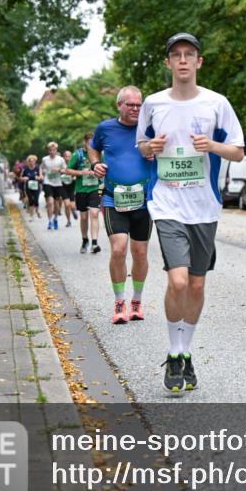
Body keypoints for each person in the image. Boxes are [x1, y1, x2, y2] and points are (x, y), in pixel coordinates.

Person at [137, 33, 244, 392]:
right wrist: (149, 148)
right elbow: (142, 146)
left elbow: (238, 152)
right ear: (168, 63)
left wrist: (212, 145)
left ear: (199, 62)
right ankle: (173, 351)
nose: (183, 60)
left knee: (197, 284)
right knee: (178, 280)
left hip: (205, 206)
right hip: (166, 203)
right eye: (176, 55)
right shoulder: (153, 104)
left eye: (189, 55)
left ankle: (186, 351)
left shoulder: (217, 103)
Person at [92, 86, 155, 323]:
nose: (136, 109)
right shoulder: (105, 128)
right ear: (119, 105)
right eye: (130, 105)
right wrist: (95, 164)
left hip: (142, 201)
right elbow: (93, 147)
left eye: (139, 105)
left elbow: (167, 152)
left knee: (140, 253)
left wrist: (156, 156)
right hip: (112, 198)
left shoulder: (149, 130)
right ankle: (119, 303)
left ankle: (136, 301)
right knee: (118, 249)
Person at [66, 133, 102, 254]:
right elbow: (68, 170)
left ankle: (95, 243)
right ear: (85, 142)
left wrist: (99, 172)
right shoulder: (78, 154)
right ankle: (85, 239)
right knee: (84, 217)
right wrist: (81, 172)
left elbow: (108, 167)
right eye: (89, 142)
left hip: (95, 188)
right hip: (81, 190)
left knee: (94, 213)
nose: (91, 145)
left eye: (93, 143)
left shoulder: (99, 154)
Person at [41, 142, 67, 230]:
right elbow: (41, 167)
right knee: (50, 202)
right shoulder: (45, 159)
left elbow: (65, 170)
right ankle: (50, 221)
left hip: (58, 183)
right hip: (47, 182)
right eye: (50, 150)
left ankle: (55, 218)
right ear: (48, 151)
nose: (52, 152)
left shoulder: (60, 159)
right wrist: (41, 174)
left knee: (56, 203)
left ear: (56, 150)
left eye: (53, 150)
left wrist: (59, 170)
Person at [18, 155, 42, 221]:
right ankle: (32, 216)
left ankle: (37, 211)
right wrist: (24, 178)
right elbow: (20, 178)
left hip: (36, 186)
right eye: (30, 161)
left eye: (33, 161)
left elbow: (41, 177)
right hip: (28, 186)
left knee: (36, 200)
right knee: (31, 201)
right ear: (28, 162)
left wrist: (38, 178)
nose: (31, 162)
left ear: (35, 161)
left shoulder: (37, 167)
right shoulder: (25, 168)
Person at [60, 149, 76, 226]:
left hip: (72, 186)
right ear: (63, 157)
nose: (67, 158)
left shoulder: (74, 164)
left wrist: (74, 176)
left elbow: (78, 174)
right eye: (66, 156)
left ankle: (73, 211)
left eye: (69, 156)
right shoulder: (60, 164)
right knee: (67, 205)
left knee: (72, 205)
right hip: (63, 187)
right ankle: (68, 221)